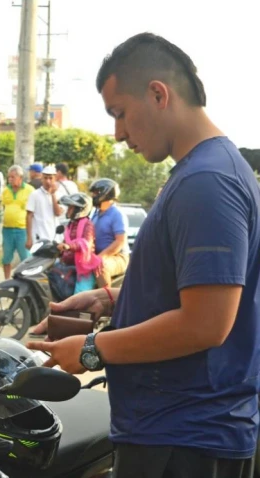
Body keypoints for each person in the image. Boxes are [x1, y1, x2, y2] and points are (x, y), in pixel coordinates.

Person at [28, 32, 260, 478]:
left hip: (186, 437)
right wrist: (112, 299)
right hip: (176, 429)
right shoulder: (203, 173)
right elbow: (192, 292)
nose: (117, 133)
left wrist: (94, 349)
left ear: (158, 94)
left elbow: (206, 323)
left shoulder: (208, 182)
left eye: (120, 113)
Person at [89, 178, 129, 287]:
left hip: (118, 257)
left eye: (96, 193)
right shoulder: (96, 213)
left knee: (101, 266)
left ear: (106, 193)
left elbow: (120, 241)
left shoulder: (117, 214)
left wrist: (100, 257)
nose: (92, 196)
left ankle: (107, 300)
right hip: (99, 255)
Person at [0, 165, 34, 279]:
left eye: (13, 177)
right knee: (6, 258)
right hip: (7, 229)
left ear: (20, 177)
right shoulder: (5, 191)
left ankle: (27, 280)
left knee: (25, 257)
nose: (10, 179)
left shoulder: (29, 190)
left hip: (22, 229)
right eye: (9, 177)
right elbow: (2, 206)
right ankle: (6, 280)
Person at [25, 164, 65, 250]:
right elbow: (29, 215)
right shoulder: (34, 195)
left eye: (50, 178)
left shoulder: (60, 195)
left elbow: (58, 213)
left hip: (54, 238)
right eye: (45, 178)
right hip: (39, 237)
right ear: (41, 179)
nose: (48, 181)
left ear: (55, 179)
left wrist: (53, 194)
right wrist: (29, 238)